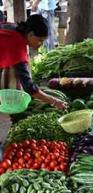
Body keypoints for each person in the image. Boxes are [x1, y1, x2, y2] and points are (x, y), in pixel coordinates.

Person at [0, 15, 68, 144]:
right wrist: (54, 101)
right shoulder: (16, 47)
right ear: (30, 34)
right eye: (40, 40)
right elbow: (30, 88)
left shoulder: (15, 30)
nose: (41, 45)